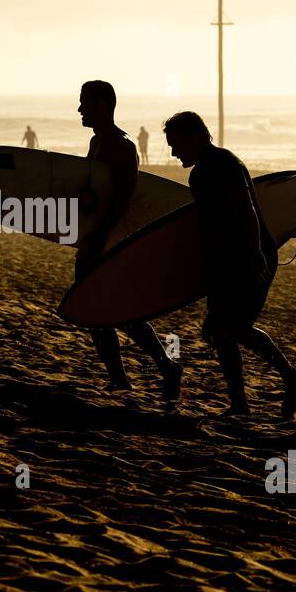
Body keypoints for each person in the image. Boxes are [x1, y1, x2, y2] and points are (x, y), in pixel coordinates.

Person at [164, 111, 296, 419]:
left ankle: (244, 402)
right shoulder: (206, 168)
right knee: (229, 330)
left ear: (197, 136)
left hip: (246, 257)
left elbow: (246, 209)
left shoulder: (220, 165)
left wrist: (255, 253)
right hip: (230, 259)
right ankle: (285, 379)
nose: (174, 153)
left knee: (223, 330)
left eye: (177, 145)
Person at [76, 80, 182, 400]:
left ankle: (163, 366)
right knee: (95, 308)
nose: (79, 109)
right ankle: (124, 376)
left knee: (110, 309)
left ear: (103, 106)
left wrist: (100, 238)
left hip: (109, 241)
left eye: (85, 102)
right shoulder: (98, 141)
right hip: (94, 238)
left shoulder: (120, 146)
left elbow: (122, 200)